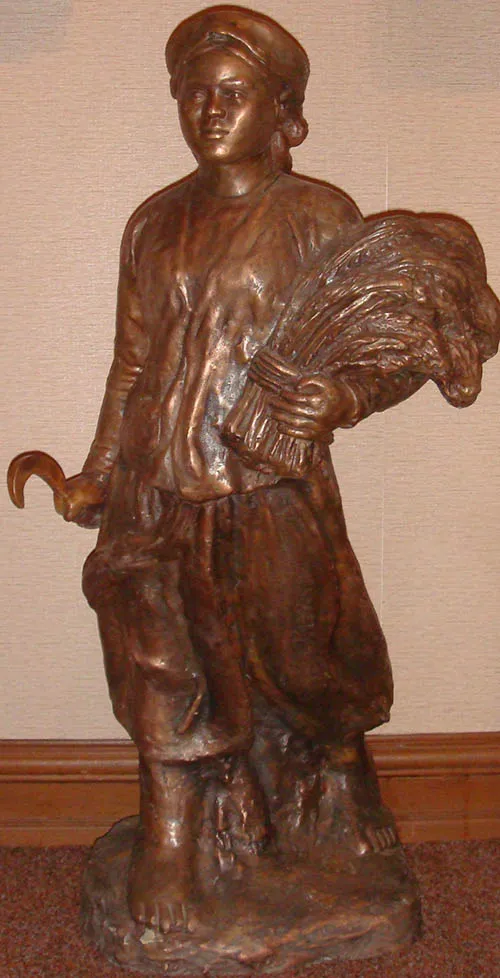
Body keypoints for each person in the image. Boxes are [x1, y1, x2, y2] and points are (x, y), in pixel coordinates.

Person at [58, 6, 415, 933]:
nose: (209, 111)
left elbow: (388, 343)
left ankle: (340, 784)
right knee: (159, 658)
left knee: (305, 652)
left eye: (233, 93)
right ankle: (173, 835)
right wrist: (99, 471)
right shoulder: (155, 222)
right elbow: (132, 364)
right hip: (159, 486)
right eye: (193, 94)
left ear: (282, 109)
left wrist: (346, 398)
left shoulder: (317, 216)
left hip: (270, 486)